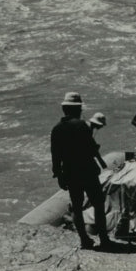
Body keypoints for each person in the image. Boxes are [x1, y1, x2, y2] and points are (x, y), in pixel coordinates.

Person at [50, 91, 111, 250]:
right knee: (98, 203)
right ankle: (104, 239)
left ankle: (84, 239)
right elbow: (90, 149)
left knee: (76, 206)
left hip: (70, 172)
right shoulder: (81, 125)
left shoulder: (56, 129)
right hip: (87, 170)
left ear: (64, 109)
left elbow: (55, 156)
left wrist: (59, 176)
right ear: (77, 109)